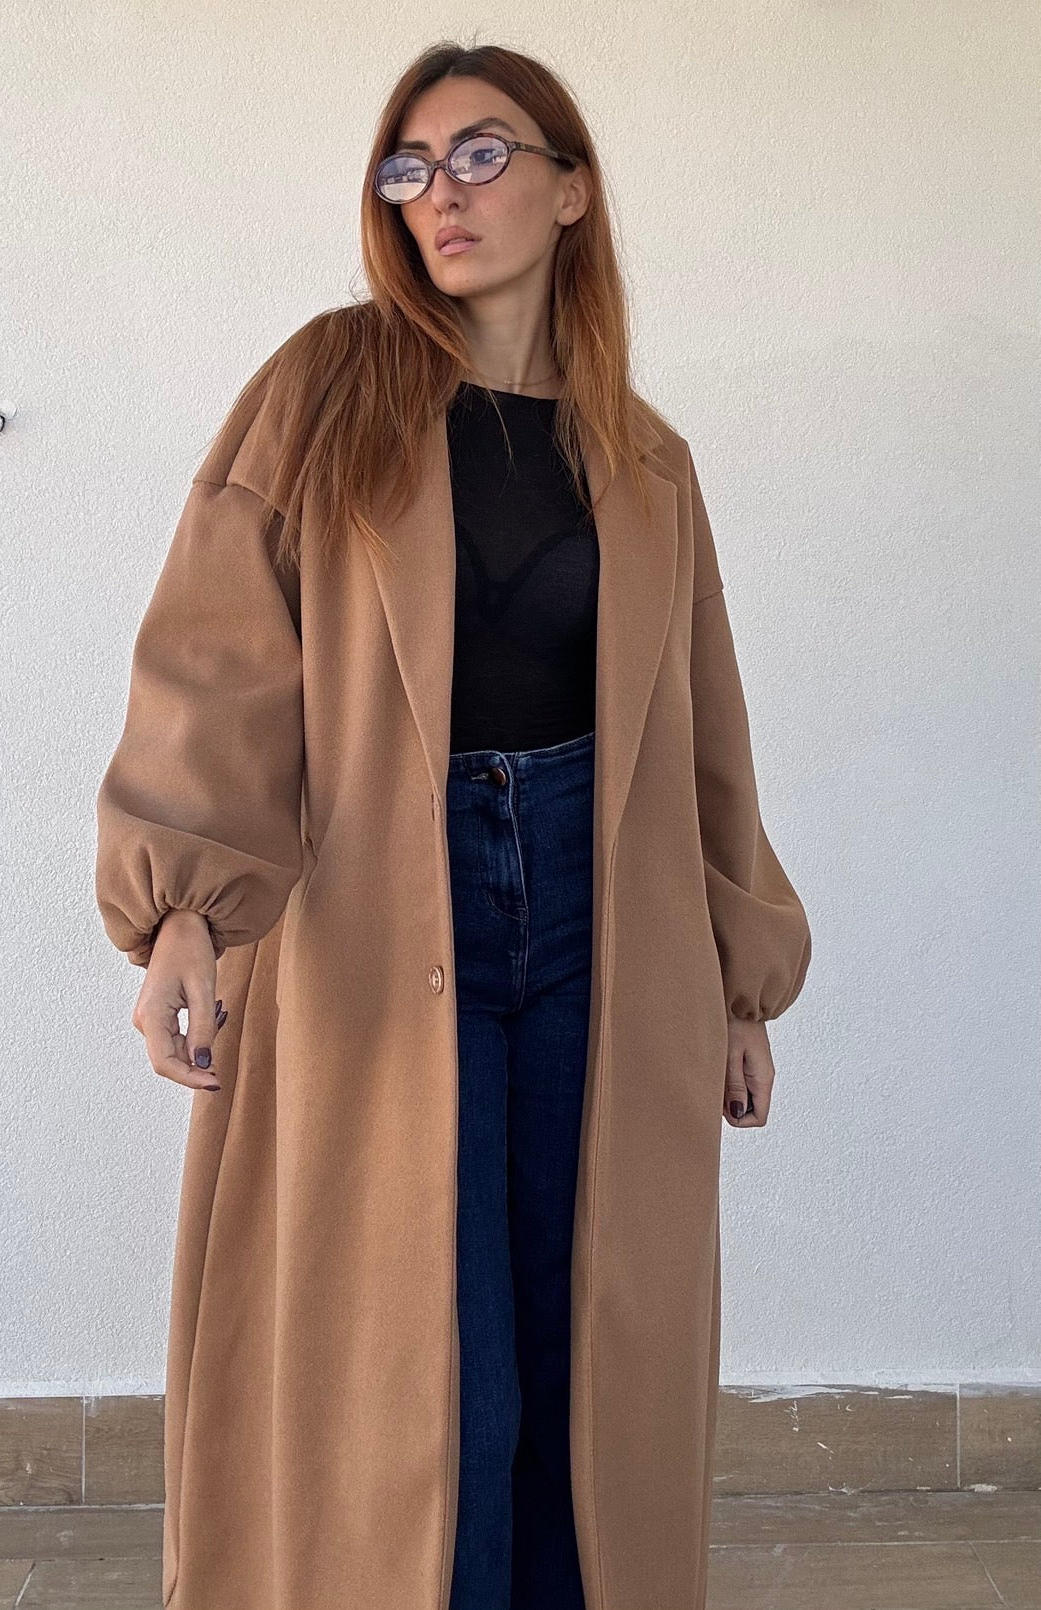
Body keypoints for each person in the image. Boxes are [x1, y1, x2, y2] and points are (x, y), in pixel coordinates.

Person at [95, 40, 812, 1610]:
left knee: (582, 1358)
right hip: (375, 911)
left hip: (604, 920)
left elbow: (701, 734)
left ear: (572, 190)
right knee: (424, 1368)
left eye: (482, 154)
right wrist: (184, 911)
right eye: (409, 167)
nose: (442, 194)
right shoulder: (325, 390)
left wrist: (740, 981)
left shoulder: (647, 463)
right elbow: (218, 657)